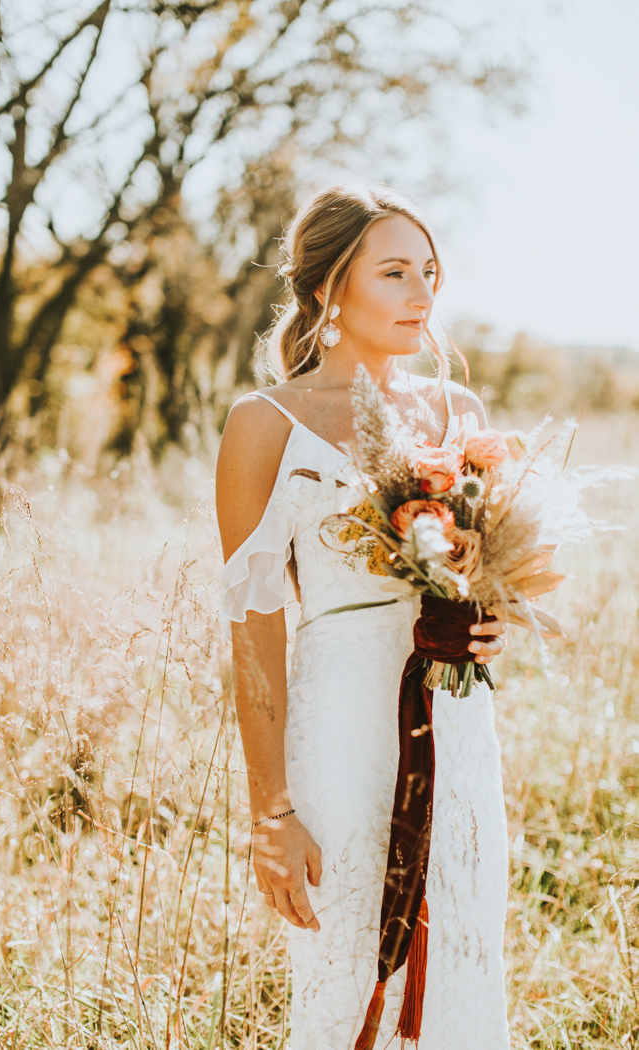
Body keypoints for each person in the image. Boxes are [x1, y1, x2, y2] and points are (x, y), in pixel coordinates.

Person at [215, 184, 510, 1049]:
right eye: (394, 272)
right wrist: (271, 811)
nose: (421, 293)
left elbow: (483, 574)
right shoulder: (265, 423)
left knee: (460, 945)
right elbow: (255, 627)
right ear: (328, 288)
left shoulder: (461, 417)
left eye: (428, 271)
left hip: (454, 719)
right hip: (339, 719)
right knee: (345, 962)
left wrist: (490, 620)